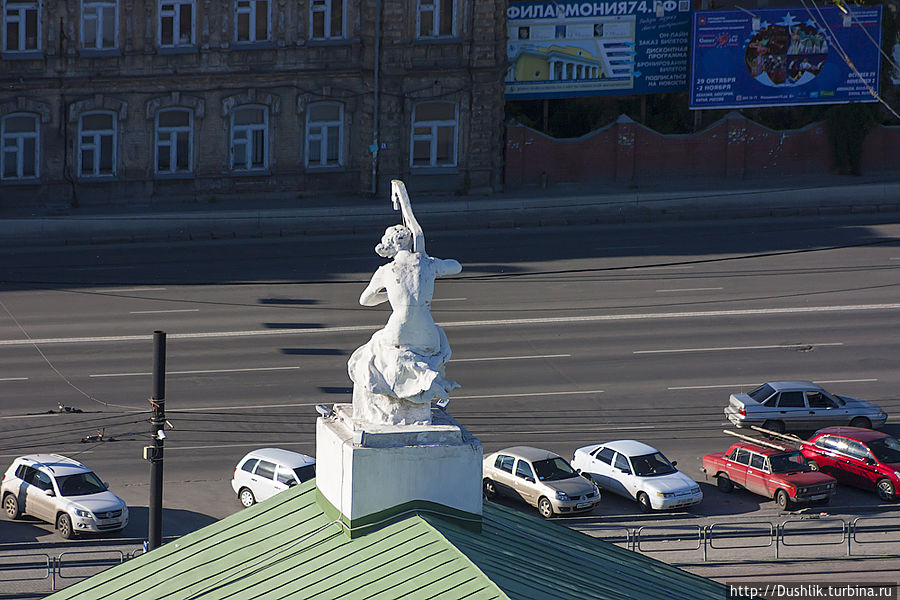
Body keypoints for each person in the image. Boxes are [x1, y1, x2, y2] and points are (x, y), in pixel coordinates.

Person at [348, 180, 462, 424]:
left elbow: (365, 300)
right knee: (435, 338)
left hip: (400, 329)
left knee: (372, 350)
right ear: (409, 241)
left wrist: (388, 294)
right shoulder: (428, 263)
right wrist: (432, 263)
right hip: (428, 331)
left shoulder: (386, 271)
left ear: (390, 246)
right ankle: (430, 381)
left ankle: (404, 393)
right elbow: (457, 266)